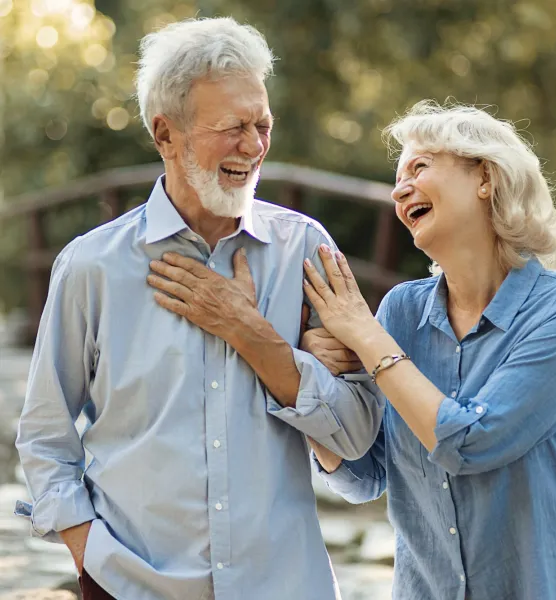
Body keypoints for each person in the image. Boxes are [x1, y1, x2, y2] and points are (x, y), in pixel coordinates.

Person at [15, 17, 382, 600]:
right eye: (233, 127)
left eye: (263, 124)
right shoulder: (93, 266)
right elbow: (44, 439)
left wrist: (254, 335)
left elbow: (360, 439)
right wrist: (97, 558)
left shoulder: (307, 252)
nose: (255, 146)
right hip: (130, 587)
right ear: (166, 134)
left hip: (285, 585)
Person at [300, 101, 556, 600]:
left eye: (419, 167)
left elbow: (473, 441)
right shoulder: (400, 313)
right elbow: (363, 475)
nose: (399, 189)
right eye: (398, 177)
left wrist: (366, 338)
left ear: (485, 178)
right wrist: (312, 372)